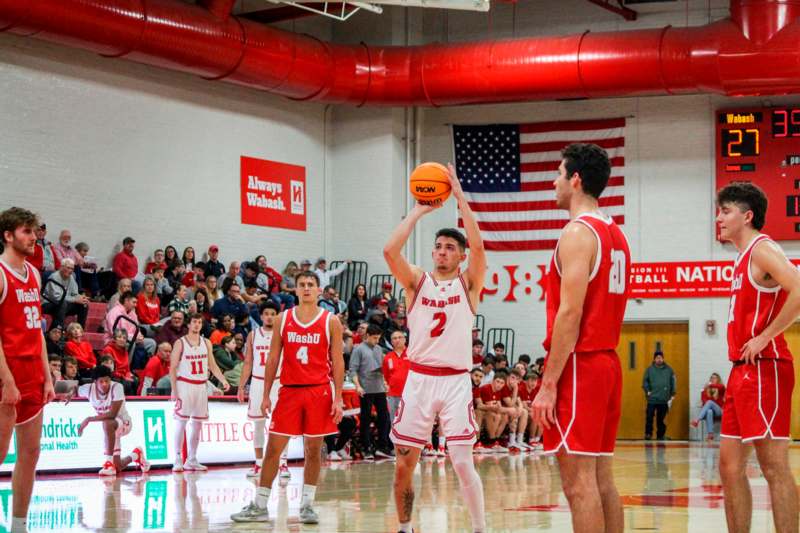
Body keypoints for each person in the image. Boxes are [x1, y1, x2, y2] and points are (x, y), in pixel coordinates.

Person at [531, 143, 631, 533]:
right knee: (602, 480)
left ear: (575, 180)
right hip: (607, 364)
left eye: (558, 174)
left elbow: (570, 315)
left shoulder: (577, 233)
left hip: (582, 364)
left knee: (578, 485)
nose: (554, 182)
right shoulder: (615, 233)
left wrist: (549, 383)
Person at [383, 163, 486, 533]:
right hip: (420, 380)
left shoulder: (469, 284)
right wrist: (419, 210)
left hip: (456, 382)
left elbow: (478, 244)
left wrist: (458, 196)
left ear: (460, 256)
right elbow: (390, 251)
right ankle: (406, 528)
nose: (442, 252)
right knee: (403, 464)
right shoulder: (416, 282)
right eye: (438, 247)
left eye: (449, 248)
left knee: (461, 461)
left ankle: (479, 528)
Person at [716, 182, 799, 533]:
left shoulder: (763, 250)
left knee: (773, 466)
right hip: (741, 371)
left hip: (766, 369)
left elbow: (799, 287)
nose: (718, 218)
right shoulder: (741, 257)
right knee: (729, 467)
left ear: (747, 216)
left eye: (726, 211)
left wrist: (766, 336)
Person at [231, 271, 344, 525]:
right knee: (273, 448)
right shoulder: (283, 319)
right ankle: (260, 505)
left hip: (319, 390)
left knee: (313, 451)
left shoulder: (331, 321)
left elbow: (338, 361)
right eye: (302, 285)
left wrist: (338, 398)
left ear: (318, 290)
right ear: (295, 290)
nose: (306, 289)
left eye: (310, 285)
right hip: (289, 390)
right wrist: (267, 393)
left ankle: (307, 505)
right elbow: (273, 358)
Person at [0, 207, 56, 533]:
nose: (33, 237)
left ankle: (19, 525)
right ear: (8, 235)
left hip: (33, 372)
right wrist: (6, 379)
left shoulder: (33, 275)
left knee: (31, 453)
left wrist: (47, 376)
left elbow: (37, 330)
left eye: (34, 231)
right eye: (26, 231)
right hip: (6, 373)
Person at [170, 313, 230, 471]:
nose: (197, 325)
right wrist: (174, 390)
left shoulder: (207, 343)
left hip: (201, 386)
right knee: (180, 423)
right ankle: (177, 458)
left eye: (199, 322)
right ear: (188, 325)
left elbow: (212, 365)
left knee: (197, 425)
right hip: (185, 385)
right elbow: (172, 368)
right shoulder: (180, 343)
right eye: (194, 322)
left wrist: (223, 380)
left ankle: (192, 458)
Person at [237, 302, 290, 479]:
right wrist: (241, 386)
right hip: (258, 383)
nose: (269, 316)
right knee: (258, 425)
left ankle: (283, 464)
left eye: (272, 313)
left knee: (282, 426)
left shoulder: (282, 334)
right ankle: (259, 464)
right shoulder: (252, 335)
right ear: (260, 316)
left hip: (278, 383)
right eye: (266, 313)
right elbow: (248, 363)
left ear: (277, 316)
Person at [72, 365, 150, 475]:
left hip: (124, 423)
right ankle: (137, 454)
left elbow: (112, 414)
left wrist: (89, 419)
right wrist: (69, 394)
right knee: (118, 466)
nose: (105, 384)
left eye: (107, 381)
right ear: (95, 382)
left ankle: (108, 463)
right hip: (111, 430)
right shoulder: (88, 389)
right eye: (101, 381)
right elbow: (75, 390)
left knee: (107, 422)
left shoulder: (117, 387)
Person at [350, 323, 392, 459]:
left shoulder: (379, 349)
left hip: (379, 387)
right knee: (366, 418)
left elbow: (381, 368)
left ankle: (382, 446)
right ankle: (366, 447)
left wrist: (385, 381)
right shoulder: (358, 349)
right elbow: (353, 369)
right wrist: (357, 385)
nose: (376, 341)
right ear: (367, 336)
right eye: (374, 338)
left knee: (384, 418)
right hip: (366, 388)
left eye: (378, 338)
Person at [41, 258, 89, 327]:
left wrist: (80, 297)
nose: (70, 271)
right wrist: (75, 299)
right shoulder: (54, 277)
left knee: (84, 304)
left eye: (72, 269)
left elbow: (73, 293)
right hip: (48, 303)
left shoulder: (71, 277)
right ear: (61, 267)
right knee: (62, 303)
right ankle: (57, 329)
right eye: (68, 268)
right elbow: (57, 297)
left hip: (64, 303)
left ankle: (80, 329)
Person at [642, 350, 676, 440]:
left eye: (660, 357)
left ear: (663, 358)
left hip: (664, 398)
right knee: (649, 417)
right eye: (657, 358)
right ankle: (648, 434)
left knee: (661, 419)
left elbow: (673, 382)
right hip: (652, 399)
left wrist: (673, 393)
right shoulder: (649, 370)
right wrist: (647, 390)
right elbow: (645, 382)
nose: (659, 359)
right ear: (654, 359)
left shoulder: (669, 370)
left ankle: (660, 435)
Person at [383, 330, 410, 420]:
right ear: (391, 342)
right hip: (393, 394)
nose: (397, 340)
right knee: (393, 421)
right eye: (394, 338)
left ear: (405, 340)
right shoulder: (388, 357)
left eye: (400, 337)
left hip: (410, 394)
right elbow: (386, 376)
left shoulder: (412, 354)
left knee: (409, 420)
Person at [101, 329, 137, 395]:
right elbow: (109, 370)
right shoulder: (108, 350)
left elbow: (127, 368)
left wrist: (128, 375)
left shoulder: (125, 351)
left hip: (123, 376)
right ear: (114, 339)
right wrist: (124, 377)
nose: (122, 339)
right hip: (112, 376)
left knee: (136, 381)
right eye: (119, 337)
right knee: (127, 384)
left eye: (124, 338)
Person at [691, 373, 725, 441]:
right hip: (711, 412)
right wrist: (705, 389)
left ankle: (697, 420)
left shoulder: (721, 388)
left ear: (718, 379)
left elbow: (721, 387)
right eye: (711, 378)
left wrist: (709, 385)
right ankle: (710, 434)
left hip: (719, 411)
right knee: (709, 411)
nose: (713, 379)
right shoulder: (705, 390)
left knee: (709, 402)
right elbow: (704, 402)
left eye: (715, 378)